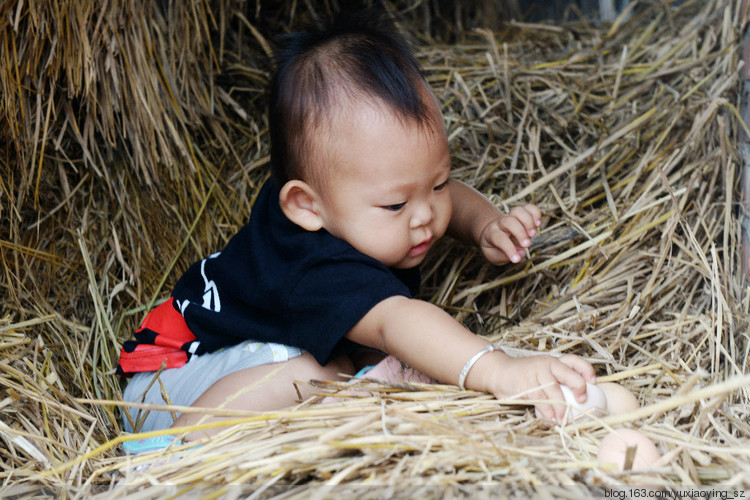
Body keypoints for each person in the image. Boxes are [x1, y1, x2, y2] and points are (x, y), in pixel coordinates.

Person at [119, 5, 595, 447]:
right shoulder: (313, 264)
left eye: (438, 184)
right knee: (313, 372)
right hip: (171, 382)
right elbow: (396, 322)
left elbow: (424, 192)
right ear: (307, 206)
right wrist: (498, 371)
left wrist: (484, 224)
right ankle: (170, 457)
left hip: (233, 361)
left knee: (346, 366)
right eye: (394, 204)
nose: (426, 214)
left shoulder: (343, 198)